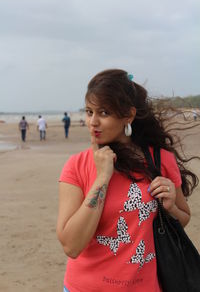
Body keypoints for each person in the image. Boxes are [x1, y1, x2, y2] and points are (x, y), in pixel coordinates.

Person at [57, 69, 199, 292]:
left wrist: (170, 207)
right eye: (89, 111)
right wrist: (102, 178)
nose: (93, 122)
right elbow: (71, 245)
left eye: (104, 112)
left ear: (129, 115)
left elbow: (183, 218)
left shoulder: (160, 160)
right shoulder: (77, 166)